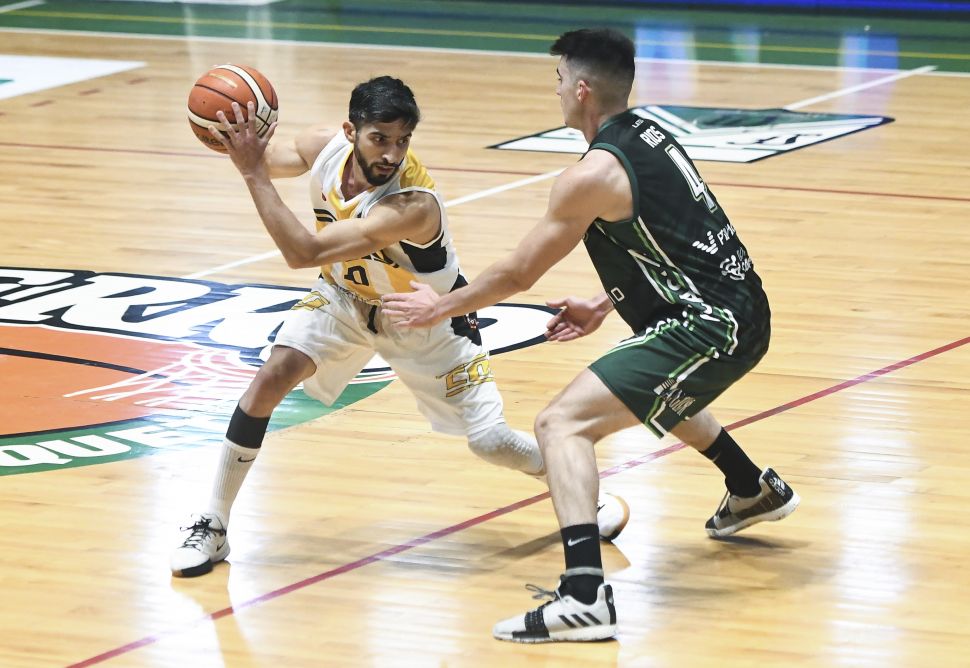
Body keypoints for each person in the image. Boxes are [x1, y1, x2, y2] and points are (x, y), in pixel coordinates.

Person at [381, 31, 800, 643]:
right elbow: (685, 242)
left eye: (558, 81)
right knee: (641, 387)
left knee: (561, 425)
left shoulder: (591, 175)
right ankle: (750, 488)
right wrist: (605, 303)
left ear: (581, 90)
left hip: (711, 324)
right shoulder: (651, 135)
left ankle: (584, 596)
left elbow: (519, 272)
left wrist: (438, 306)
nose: (554, 91)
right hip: (735, 308)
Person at [169, 76, 629, 578]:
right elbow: (264, 159)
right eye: (379, 139)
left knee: (490, 442)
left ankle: (583, 493)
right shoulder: (323, 146)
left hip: (428, 317)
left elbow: (303, 251)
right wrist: (233, 137)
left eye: (402, 140)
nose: (392, 153)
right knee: (271, 377)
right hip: (346, 298)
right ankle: (213, 522)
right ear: (350, 132)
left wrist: (252, 174)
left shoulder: (411, 205)